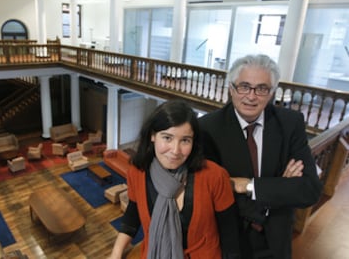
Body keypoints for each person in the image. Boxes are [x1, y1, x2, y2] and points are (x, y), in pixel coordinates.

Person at [199, 54, 322, 259]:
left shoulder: (290, 123)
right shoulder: (207, 128)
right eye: (244, 86)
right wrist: (280, 187)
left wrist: (249, 186)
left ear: (272, 92)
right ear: (231, 89)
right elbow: (210, 192)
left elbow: (310, 189)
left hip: (276, 240)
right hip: (229, 241)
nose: (251, 96)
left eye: (262, 89)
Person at [108, 100, 241, 259]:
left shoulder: (215, 176)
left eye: (185, 140)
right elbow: (133, 215)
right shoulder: (137, 172)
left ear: (193, 142)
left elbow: (230, 236)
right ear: (152, 135)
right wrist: (115, 254)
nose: (176, 151)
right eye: (167, 138)